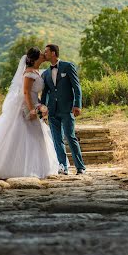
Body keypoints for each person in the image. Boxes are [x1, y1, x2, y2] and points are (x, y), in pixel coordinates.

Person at [0, 47, 59, 179]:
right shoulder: (28, 73)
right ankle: (15, 168)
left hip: (34, 104)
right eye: (41, 54)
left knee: (37, 136)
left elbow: (34, 93)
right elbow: (26, 92)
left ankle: (35, 168)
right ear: (35, 59)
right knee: (22, 135)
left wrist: (40, 106)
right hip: (26, 106)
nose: (43, 55)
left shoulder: (37, 72)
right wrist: (32, 109)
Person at [41, 44, 86, 175]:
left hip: (67, 109)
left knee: (70, 137)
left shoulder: (68, 66)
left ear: (54, 53)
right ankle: (63, 166)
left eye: (47, 52)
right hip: (52, 111)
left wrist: (77, 105)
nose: (45, 54)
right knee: (57, 139)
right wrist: (43, 109)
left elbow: (77, 87)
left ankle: (80, 167)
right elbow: (45, 93)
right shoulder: (46, 73)